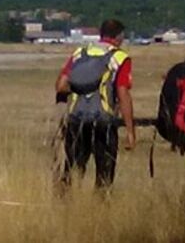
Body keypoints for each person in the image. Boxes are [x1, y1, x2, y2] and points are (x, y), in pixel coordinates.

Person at [55, 19, 136, 189]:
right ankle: (99, 210)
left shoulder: (80, 53)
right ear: (119, 36)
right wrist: (130, 131)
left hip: (76, 120)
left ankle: (63, 205)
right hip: (103, 122)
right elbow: (123, 94)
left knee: (72, 170)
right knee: (104, 175)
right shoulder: (120, 57)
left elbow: (61, 86)